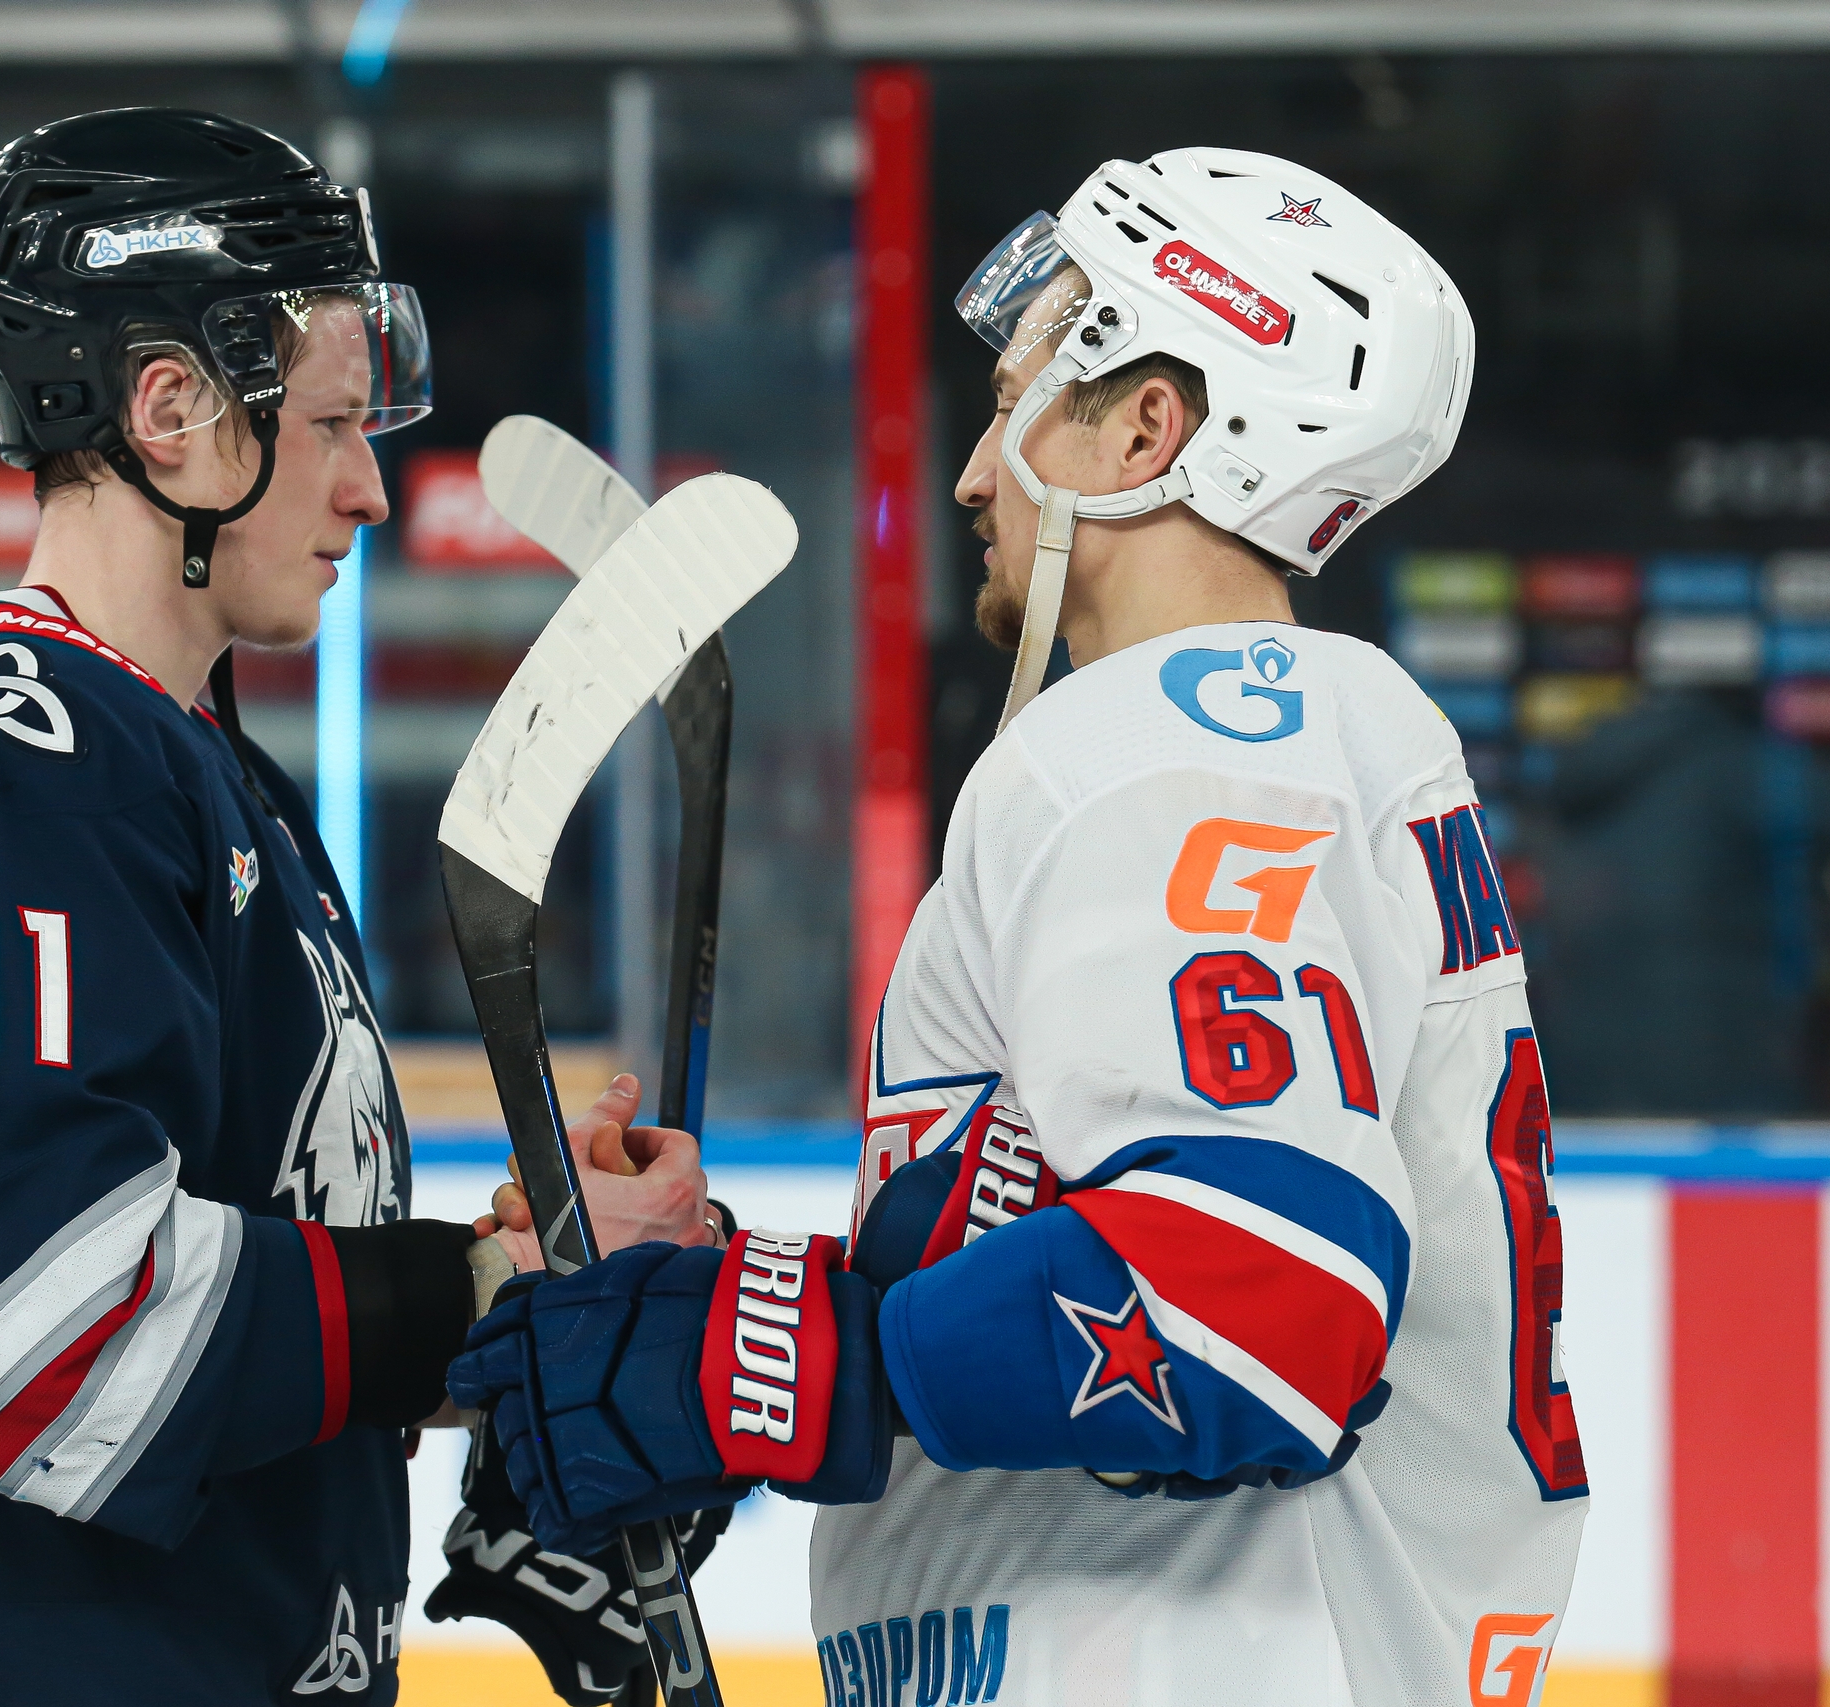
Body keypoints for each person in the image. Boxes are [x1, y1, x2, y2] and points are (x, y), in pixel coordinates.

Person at [451, 148, 1591, 1705]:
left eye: (1015, 404)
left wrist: (765, 1372)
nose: (976, 474)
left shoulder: (1161, 746)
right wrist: (726, 1295)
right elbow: (1082, 1237)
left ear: (1148, 429)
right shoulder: (1286, 741)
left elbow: (1256, 1298)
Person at [0, 107, 713, 1707]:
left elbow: (244, 1287)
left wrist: (522, 1301)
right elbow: (48, 1341)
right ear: (170, 410)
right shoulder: (9, 755)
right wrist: (481, 1299)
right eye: (334, 424)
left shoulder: (189, 768)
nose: (370, 489)